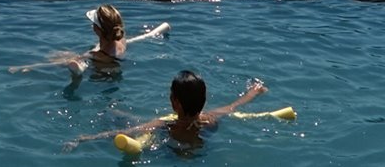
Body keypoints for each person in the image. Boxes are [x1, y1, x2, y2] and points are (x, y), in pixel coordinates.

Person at [64, 70, 268, 150]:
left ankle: (110, 111)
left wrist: (83, 138)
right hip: (199, 147)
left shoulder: (166, 126)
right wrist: (255, 91)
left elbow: (125, 133)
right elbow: (235, 105)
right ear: (204, 100)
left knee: (118, 117)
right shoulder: (212, 120)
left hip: (172, 151)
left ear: (175, 102)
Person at [8, 5, 169, 74]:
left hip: (101, 69)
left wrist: (30, 66)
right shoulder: (121, 41)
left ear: (97, 29)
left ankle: (78, 72)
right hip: (116, 65)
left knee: (59, 57)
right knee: (64, 54)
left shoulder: (95, 53)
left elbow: (56, 64)